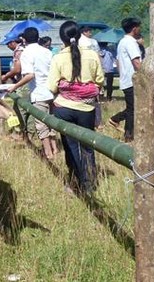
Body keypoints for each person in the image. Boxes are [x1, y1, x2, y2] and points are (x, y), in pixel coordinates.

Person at [48, 21, 104, 195]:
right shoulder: (92, 55)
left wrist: (67, 88)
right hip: (86, 108)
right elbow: (100, 80)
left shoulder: (57, 57)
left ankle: (76, 182)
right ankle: (89, 184)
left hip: (63, 108)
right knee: (87, 145)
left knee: (70, 146)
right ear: (79, 35)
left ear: (61, 38)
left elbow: (51, 87)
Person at [7, 27, 58, 160]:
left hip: (39, 92)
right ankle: (55, 149)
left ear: (24, 39)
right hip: (52, 91)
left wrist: (15, 86)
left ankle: (48, 153)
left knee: (41, 124)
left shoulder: (26, 53)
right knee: (52, 121)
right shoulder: (47, 51)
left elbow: (30, 75)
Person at [108, 18, 142, 142]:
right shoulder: (131, 43)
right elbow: (136, 62)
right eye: (139, 27)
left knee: (132, 108)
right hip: (132, 80)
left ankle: (116, 120)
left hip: (126, 79)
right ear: (134, 29)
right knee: (132, 110)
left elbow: (118, 61)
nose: (140, 29)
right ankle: (128, 136)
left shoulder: (122, 41)